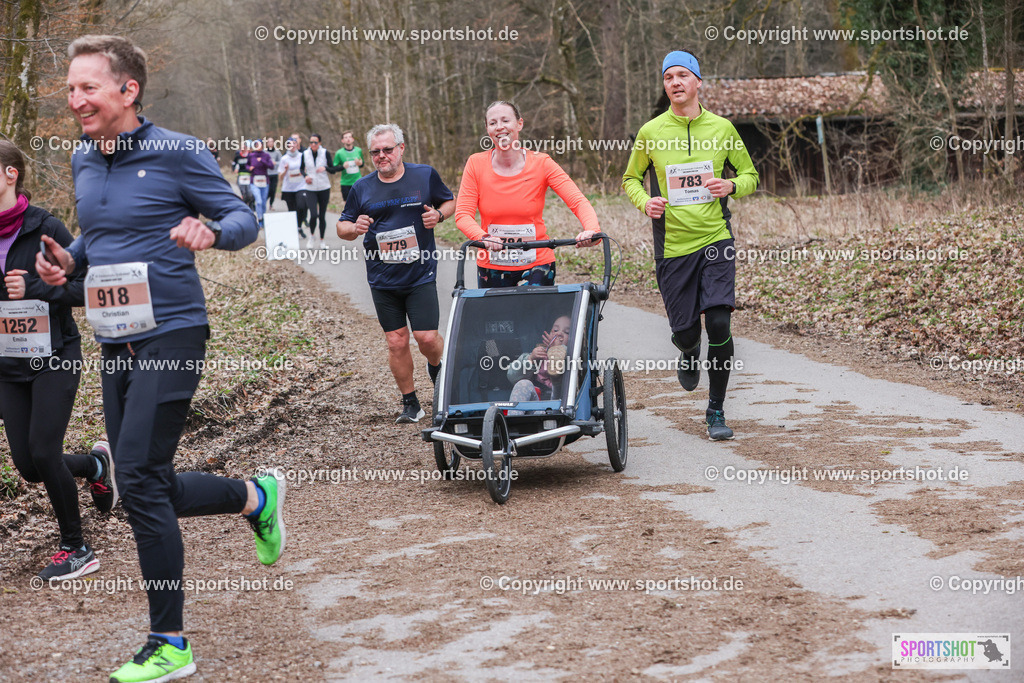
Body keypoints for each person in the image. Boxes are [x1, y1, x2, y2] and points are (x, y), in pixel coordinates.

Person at [39, 34, 286, 682]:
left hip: (173, 330)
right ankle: (256, 497)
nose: (75, 100)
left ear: (128, 89)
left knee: (143, 479)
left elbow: (243, 217)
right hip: (115, 338)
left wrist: (212, 230)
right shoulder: (83, 158)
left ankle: (169, 641)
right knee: (143, 481)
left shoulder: (176, 152)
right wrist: (72, 260)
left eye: (87, 87)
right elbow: (99, 229)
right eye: (70, 89)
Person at [621, 50, 759, 441]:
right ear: (665, 86)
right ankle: (686, 348)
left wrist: (731, 185)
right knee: (686, 331)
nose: (676, 83)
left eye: (683, 75)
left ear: (698, 82)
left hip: (716, 238)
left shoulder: (723, 128)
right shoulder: (651, 132)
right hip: (673, 246)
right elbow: (631, 179)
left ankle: (715, 409)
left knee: (718, 321)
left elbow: (750, 174)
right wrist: (644, 201)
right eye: (669, 77)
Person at [0, 140, 116, 581]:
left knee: (45, 451)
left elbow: (92, 285)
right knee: (29, 467)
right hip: (9, 362)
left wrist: (37, 287)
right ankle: (95, 465)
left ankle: (77, 548)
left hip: (56, 355)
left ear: (12, 174)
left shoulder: (45, 226)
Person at [337, 123, 454, 423]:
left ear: (401, 148)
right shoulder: (361, 187)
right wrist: (355, 228)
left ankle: (438, 367)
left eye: (388, 150)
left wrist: (438, 215)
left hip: (420, 274)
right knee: (397, 341)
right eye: (375, 152)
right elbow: (342, 226)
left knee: (427, 338)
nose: (382, 156)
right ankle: (411, 404)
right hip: (382, 279)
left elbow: (449, 201)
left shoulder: (424, 175)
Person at [455, 100, 601, 288]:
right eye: (493, 123)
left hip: (537, 262)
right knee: (499, 318)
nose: (500, 127)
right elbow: (462, 215)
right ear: (487, 129)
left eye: (505, 121)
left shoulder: (542, 163)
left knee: (534, 316)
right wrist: (484, 237)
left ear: (519, 124)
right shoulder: (475, 164)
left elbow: (578, 201)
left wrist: (591, 230)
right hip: (492, 263)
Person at [506, 314, 571, 412]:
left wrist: (557, 350)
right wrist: (530, 359)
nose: (559, 334)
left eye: (566, 332)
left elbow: (561, 364)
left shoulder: (572, 356)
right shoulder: (538, 355)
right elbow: (511, 376)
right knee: (523, 384)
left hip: (560, 406)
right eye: (555, 330)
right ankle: (513, 421)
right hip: (536, 407)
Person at [299, 133, 338, 249]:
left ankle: (322, 240)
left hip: (324, 187)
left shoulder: (325, 153)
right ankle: (312, 236)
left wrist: (325, 168)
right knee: (313, 214)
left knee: (322, 215)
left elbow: (333, 170)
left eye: (315, 142)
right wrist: (305, 176)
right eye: (311, 142)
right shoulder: (305, 154)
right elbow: (301, 168)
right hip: (310, 188)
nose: (313, 144)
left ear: (319, 143)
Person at [277, 137, 308, 239]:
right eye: (289, 144)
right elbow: (280, 177)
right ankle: (295, 229)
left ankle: (299, 225)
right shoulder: (284, 159)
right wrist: (285, 170)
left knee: (302, 206)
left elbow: (307, 168)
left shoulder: (302, 156)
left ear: (297, 145)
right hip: (288, 188)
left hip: (301, 186)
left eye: (294, 143)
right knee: (292, 211)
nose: (292, 146)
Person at [246, 139, 273, 228]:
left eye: (259, 144)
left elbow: (271, 166)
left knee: (264, 202)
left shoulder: (266, 155)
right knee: (259, 201)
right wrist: (249, 168)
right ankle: (260, 219)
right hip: (254, 181)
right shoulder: (251, 155)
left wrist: (262, 161)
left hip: (265, 182)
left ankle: (264, 217)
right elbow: (247, 165)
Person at [332, 129, 364, 201]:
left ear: (353, 139)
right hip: (345, 183)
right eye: (346, 137)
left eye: (349, 137)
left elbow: (362, 164)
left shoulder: (358, 150)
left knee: (359, 203)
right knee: (347, 205)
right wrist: (343, 166)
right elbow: (334, 168)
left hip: (357, 181)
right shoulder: (339, 153)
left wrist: (359, 163)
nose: (348, 139)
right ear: (342, 140)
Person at [231, 139, 255, 212]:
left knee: (250, 193)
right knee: (243, 192)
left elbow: (254, 163)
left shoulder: (250, 155)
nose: (242, 148)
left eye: (244, 147)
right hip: (241, 176)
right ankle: (244, 206)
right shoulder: (238, 156)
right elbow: (234, 164)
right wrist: (234, 169)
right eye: (241, 147)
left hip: (249, 175)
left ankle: (251, 205)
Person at [264, 135, 282, 211]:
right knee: (267, 190)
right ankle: (263, 202)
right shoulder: (265, 152)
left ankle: (271, 204)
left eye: (272, 142)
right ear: (267, 143)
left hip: (274, 173)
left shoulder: (277, 152)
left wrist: (275, 163)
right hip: (266, 174)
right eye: (269, 142)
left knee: (273, 190)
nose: (270, 143)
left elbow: (281, 162)